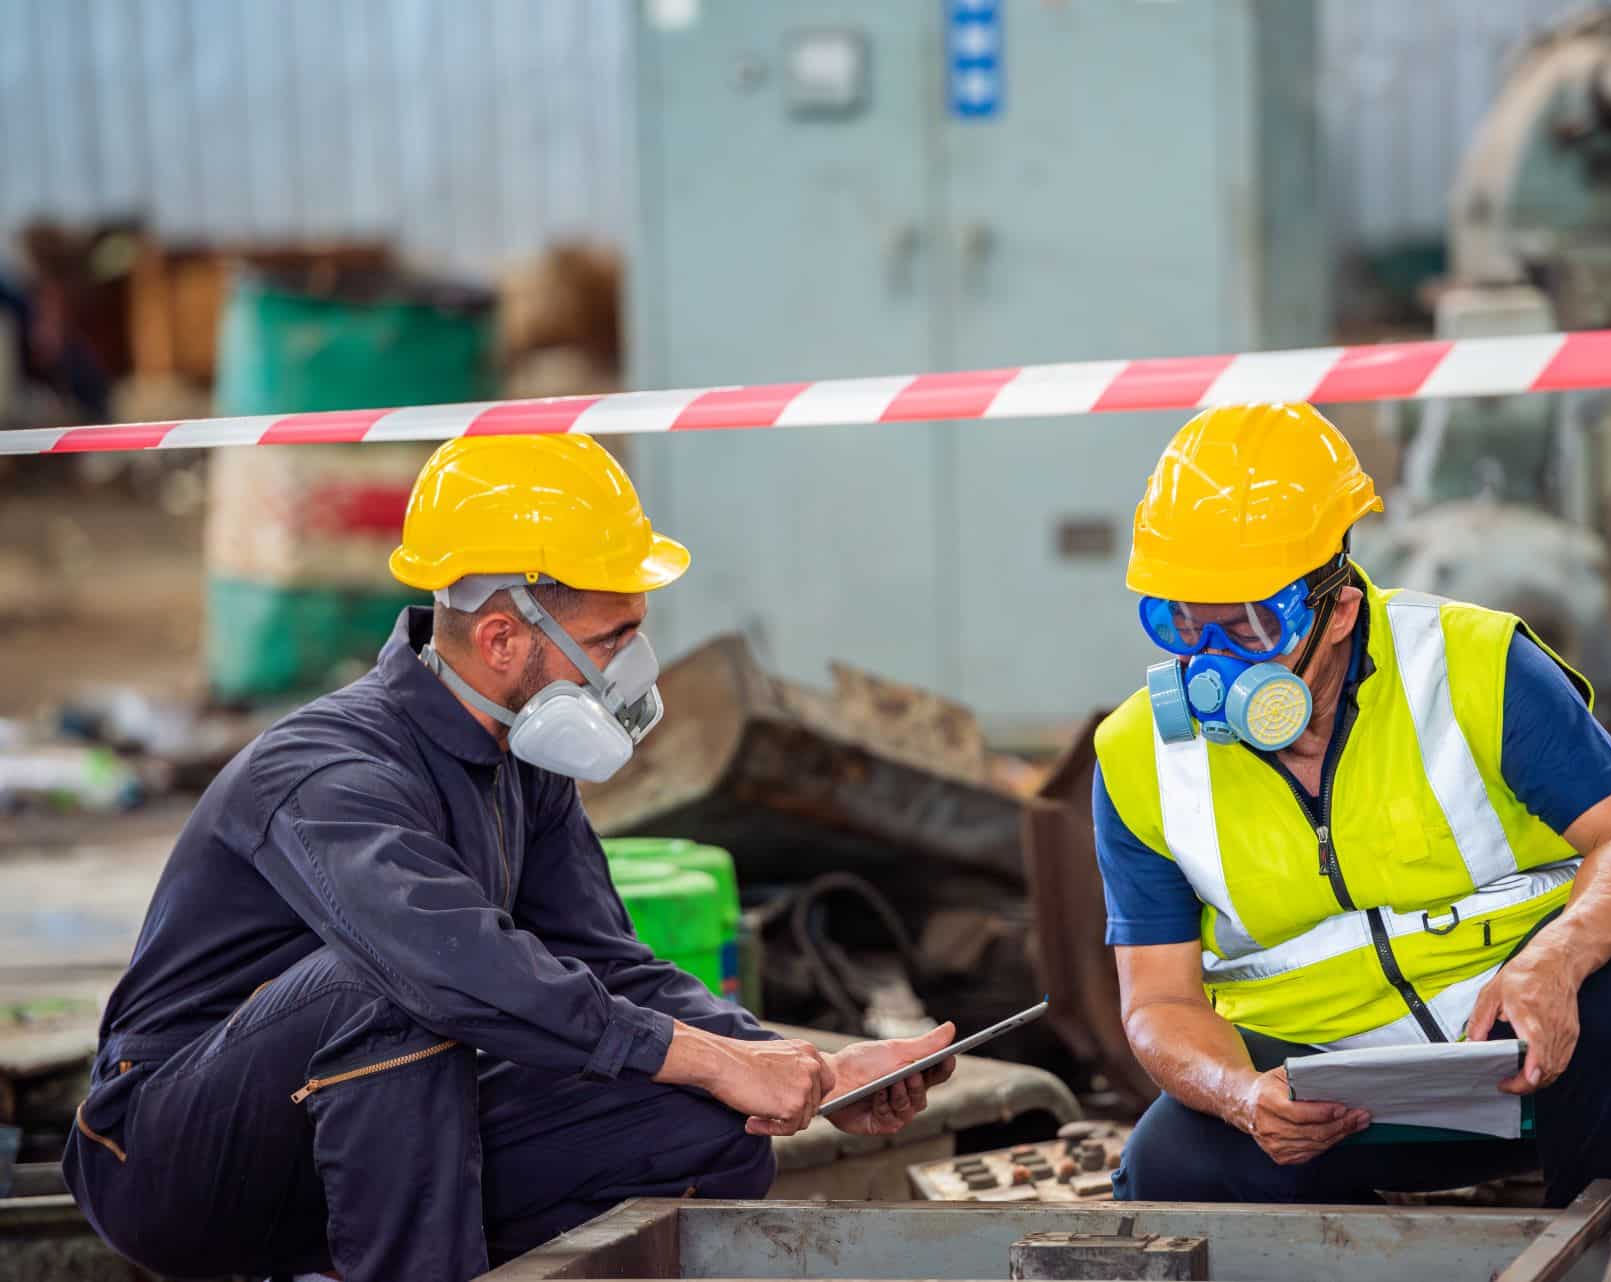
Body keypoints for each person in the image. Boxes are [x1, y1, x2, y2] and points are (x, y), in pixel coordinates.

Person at [63, 433, 956, 1282]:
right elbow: (445, 970)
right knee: (403, 977)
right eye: (612, 641)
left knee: (711, 1127)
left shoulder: (521, 765)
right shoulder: (324, 769)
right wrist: (707, 1056)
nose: (633, 671)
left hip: (357, 1140)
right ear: (501, 639)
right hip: (169, 1159)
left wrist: (794, 1065)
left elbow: (612, 970)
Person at [1092, 403, 1611, 1208]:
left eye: (1249, 629)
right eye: (1179, 622)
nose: (1212, 666)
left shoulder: (1471, 665)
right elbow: (1159, 1001)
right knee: (1166, 1166)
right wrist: (1243, 1097)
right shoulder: (1140, 757)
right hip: (1324, 1111)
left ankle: (1599, 1231)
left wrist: (1556, 963)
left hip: (1527, 1064)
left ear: (1337, 610)